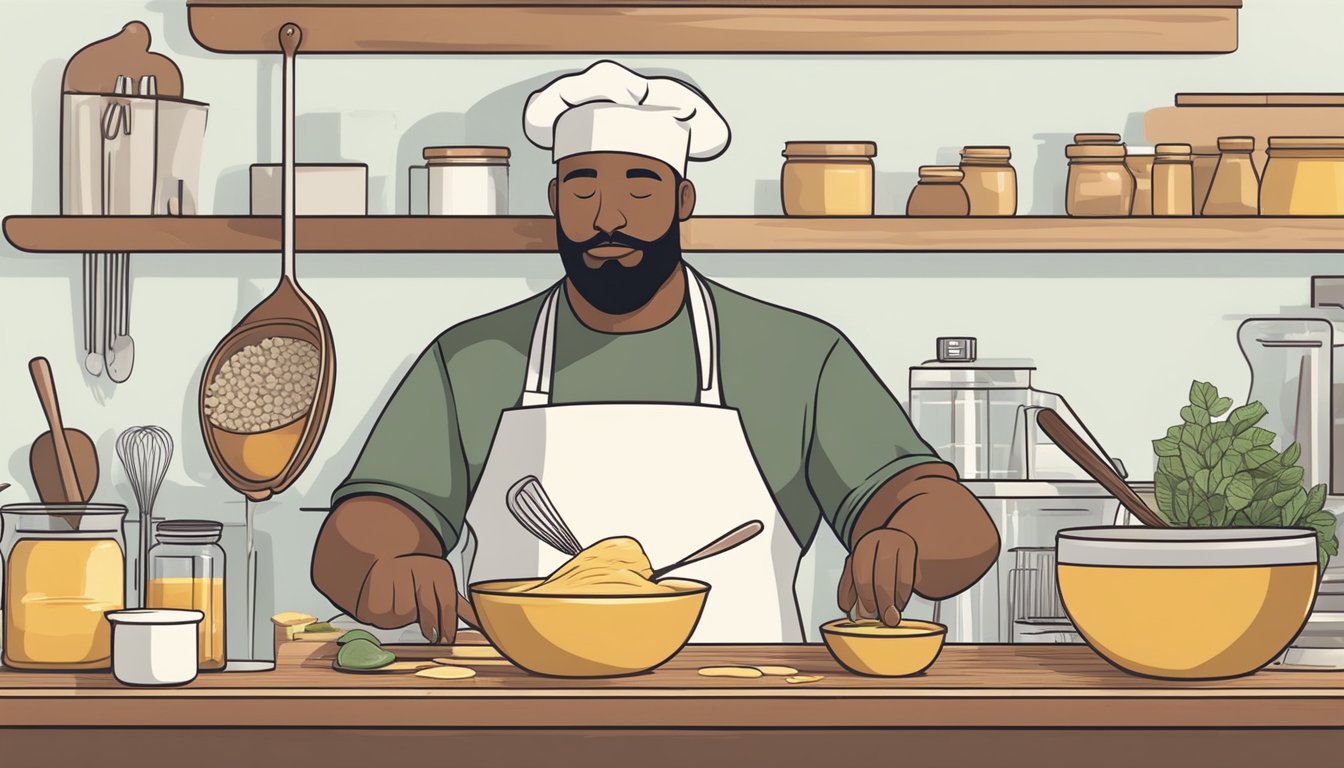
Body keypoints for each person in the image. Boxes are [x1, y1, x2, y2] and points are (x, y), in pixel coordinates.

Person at [313, 60, 998, 644]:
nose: (609, 215)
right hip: (518, 715)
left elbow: (945, 513)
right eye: (583, 187)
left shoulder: (798, 356)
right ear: (554, 199)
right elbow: (361, 528)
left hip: (743, 713)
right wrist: (387, 565)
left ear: (683, 199)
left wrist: (907, 542)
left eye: (641, 185)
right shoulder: (470, 359)